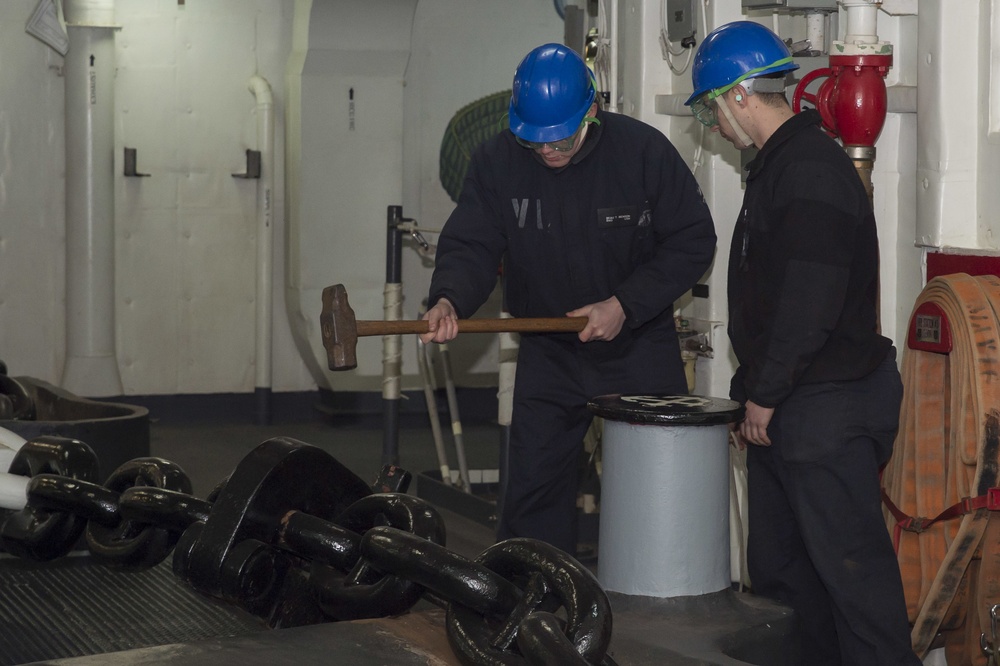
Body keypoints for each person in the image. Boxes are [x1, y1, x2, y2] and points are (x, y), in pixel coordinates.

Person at [420, 43, 716, 556]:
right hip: (549, 347)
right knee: (532, 490)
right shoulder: (497, 162)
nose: (547, 151)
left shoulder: (642, 153)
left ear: (592, 113)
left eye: (559, 139)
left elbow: (692, 241)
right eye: (534, 141)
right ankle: (530, 600)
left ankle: (661, 610)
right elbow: (471, 243)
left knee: (658, 487)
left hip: (637, 345)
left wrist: (624, 304)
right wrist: (449, 298)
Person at [686, 21, 920, 666]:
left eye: (711, 108)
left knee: (852, 581)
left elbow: (808, 303)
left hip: (827, 407)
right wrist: (751, 398)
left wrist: (763, 394)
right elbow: (773, 300)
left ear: (738, 95)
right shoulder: (781, 166)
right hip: (792, 404)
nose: (712, 124)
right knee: (788, 578)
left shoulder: (811, 168)